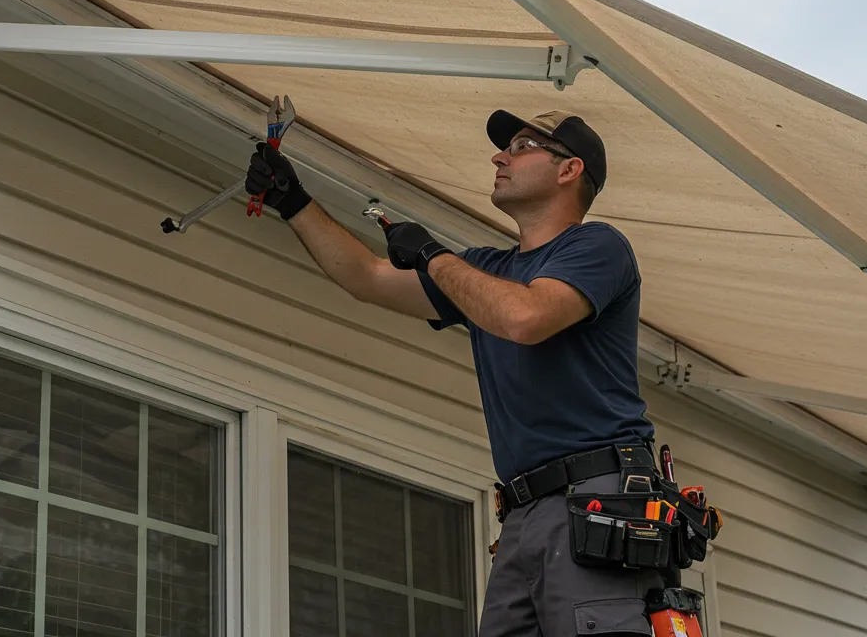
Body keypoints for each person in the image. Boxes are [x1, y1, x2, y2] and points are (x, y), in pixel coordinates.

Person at [245, 109, 664, 636]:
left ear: (569, 170)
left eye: (521, 146)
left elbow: (524, 317)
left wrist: (432, 256)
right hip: (524, 509)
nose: (499, 156)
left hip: (594, 494)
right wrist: (294, 203)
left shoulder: (598, 246)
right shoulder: (487, 270)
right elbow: (367, 279)